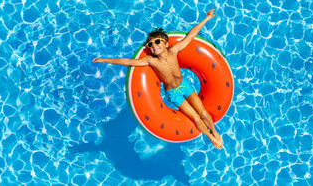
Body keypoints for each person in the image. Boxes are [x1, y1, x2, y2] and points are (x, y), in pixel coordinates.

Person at [93, 10, 223, 149]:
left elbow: (190, 35)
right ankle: (211, 138)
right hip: (173, 93)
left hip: (184, 86)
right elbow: (127, 62)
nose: (154, 45)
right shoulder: (151, 60)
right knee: (196, 118)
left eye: (157, 42)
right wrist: (104, 60)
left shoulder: (173, 51)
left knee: (203, 112)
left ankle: (214, 132)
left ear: (166, 43)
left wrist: (207, 18)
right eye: (150, 44)